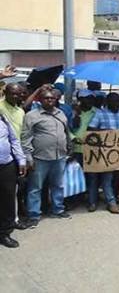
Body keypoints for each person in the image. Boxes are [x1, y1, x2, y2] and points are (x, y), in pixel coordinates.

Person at [22, 90, 71, 228]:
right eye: (46, 98)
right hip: (39, 158)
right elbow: (25, 138)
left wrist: (69, 145)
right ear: (40, 99)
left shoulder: (60, 113)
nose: (49, 101)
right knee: (35, 188)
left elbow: (66, 132)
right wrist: (28, 157)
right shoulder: (32, 116)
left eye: (52, 98)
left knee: (58, 185)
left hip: (59, 156)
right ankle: (33, 215)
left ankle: (57, 209)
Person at [86, 93, 119, 214]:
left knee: (108, 178)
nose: (116, 103)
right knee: (93, 178)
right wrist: (106, 132)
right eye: (113, 101)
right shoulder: (100, 113)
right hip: (99, 151)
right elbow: (90, 129)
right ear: (107, 102)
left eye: (118, 101)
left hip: (113, 153)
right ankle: (93, 202)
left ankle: (110, 203)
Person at [0, 83, 28, 227]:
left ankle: (10, 224)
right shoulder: (1, 106)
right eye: (13, 93)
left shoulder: (17, 112)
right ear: (5, 93)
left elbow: (15, 139)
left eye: (18, 94)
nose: (16, 96)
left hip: (9, 159)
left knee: (11, 194)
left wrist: (21, 159)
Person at [0, 112, 26, 248]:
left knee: (7, 199)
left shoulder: (3, 118)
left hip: (6, 165)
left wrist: (21, 160)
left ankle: (4, 233)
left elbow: (14, 140)